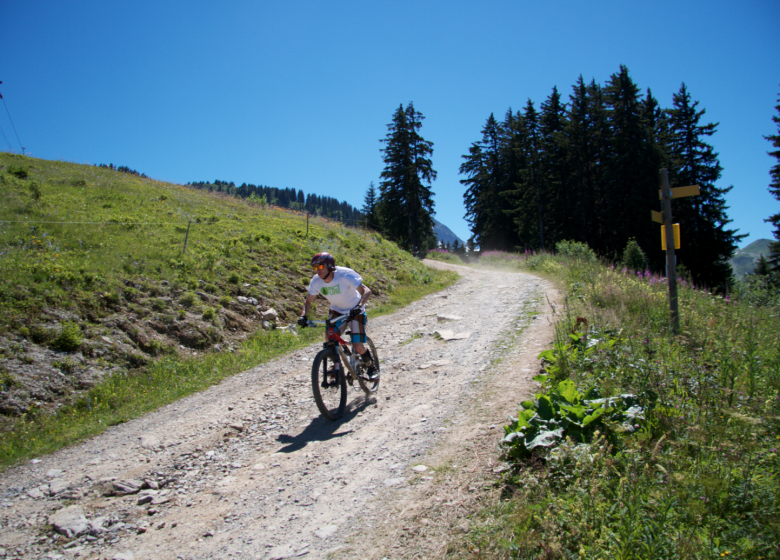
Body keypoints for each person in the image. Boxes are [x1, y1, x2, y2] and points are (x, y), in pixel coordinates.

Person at [297, 252, 376, 379]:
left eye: (321, 267)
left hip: (355, 310)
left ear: (330, 266)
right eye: (315, 268)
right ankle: (335, 364)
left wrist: (359, 306)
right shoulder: (316, 281)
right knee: (329, 338)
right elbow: (308, 301)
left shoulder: (344, 275)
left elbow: (367, 291)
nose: (318, 271)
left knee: (358, 346)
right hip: (337, 310)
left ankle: (371, 367)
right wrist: (303, 316)